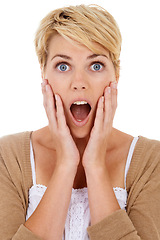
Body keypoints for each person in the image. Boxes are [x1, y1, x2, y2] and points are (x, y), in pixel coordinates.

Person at [0, 4, 160, 240]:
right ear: (43, 74)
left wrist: (95, 166)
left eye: (96, 65)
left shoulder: (151, 160)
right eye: (63, 66)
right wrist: (66, 163)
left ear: (116, 75)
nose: (79, 82)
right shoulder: (8, 156)